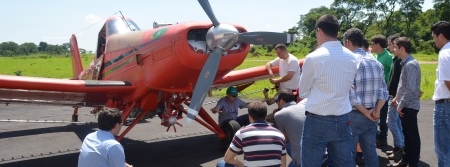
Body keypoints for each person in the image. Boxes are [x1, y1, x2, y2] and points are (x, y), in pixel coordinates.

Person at [298, 14, 358, 167]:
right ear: (337, 33)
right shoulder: (352, 57)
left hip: (318, 119)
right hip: (344, 117)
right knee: (345, 163)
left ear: (319, 31)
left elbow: (303, 92)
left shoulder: (313, 57)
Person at [343, 28, 388, 167]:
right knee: (370, 152)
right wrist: (376, 110)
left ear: (348, 42)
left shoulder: (350, 61)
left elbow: (350, 92)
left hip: (355, 114)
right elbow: (384, 91)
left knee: (348, 155)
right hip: (373, 114)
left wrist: (365, 112)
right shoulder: (376, 62)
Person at [217, 101, 286, 167]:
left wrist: (242, 165)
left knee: (222, 163)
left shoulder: (241, 133)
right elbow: (283, 165)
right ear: (265, 117)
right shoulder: (280, 135)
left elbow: (228, 158)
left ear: (249, 117)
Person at [390, 37, 421, 167]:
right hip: (405, 105)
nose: (393, 49)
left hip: (408, 106)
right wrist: (397, 98)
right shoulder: (405, 63)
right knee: (407, 135)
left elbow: (411, 89)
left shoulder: (411, 64)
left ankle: (413, 163)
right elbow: (404, 86)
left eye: (395, 47)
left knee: (412, 136)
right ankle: (406, 160)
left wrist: (400, 105)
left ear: (402, 48)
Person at [431, 21, 450, 167]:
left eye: (434, 37)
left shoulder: (444, 53)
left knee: (443, 150)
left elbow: (448, 81)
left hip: (445, 106)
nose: (434, 40)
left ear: (441, 36)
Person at [385, 33, 405, 161]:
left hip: (395, 96)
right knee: (396, 122)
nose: (389, 46)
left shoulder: (399, 61)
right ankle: (400, 148)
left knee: (390, 121)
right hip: (392, 94)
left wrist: (397, 96)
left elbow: (402, 81)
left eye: (390, 44)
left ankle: (399, 147)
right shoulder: (394, 60)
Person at [274, 90, 307, 167]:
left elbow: (284, 138)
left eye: (277, 102)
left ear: (281, 101)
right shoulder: (306, 107)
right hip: (321, 153)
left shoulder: (279, 114)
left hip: (301, 159)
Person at [371, 34, 392, 146]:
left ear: (378, 44)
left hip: (384, 91)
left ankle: (383, 137)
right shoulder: (377, 56)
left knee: (383, 116)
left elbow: (393, 72)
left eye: (373, 44)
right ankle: (378, 135)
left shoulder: (388, 57)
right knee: (377, 114)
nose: (371, 46)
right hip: (376, 90)